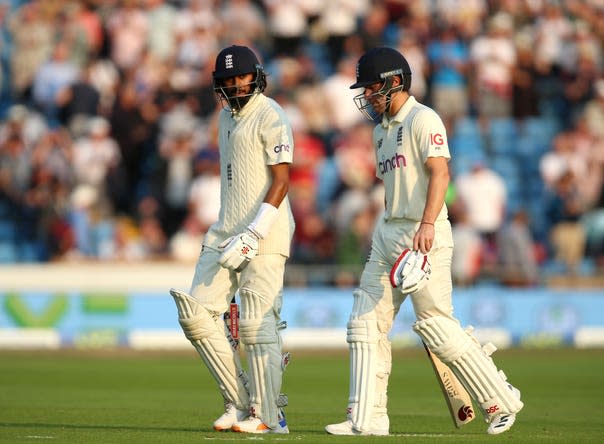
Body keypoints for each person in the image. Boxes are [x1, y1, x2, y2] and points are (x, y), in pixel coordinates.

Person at [324, 47, 523, 436]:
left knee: (436, 326)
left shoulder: (422, 118)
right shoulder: (380, 129)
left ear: (395, 82)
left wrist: (428, 225)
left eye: (371, 88)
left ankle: (501, 399)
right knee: (365, 323)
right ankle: (367, 418)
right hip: (389, 232)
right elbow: (392, 187)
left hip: (423, 232)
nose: (366, 96)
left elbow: (440, 175)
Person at [169, 45, 294, 434]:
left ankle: (269, 414)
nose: (234, 85)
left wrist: (254, 233)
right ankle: (238, 402)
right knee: (196, 315)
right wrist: (235, 233)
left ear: (255, 76)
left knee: (257, 325)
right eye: (226, 80)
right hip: (225, 230)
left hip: (265, 232)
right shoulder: (224, 116)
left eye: (239, 78)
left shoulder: (270, 114)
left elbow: (282, 179)